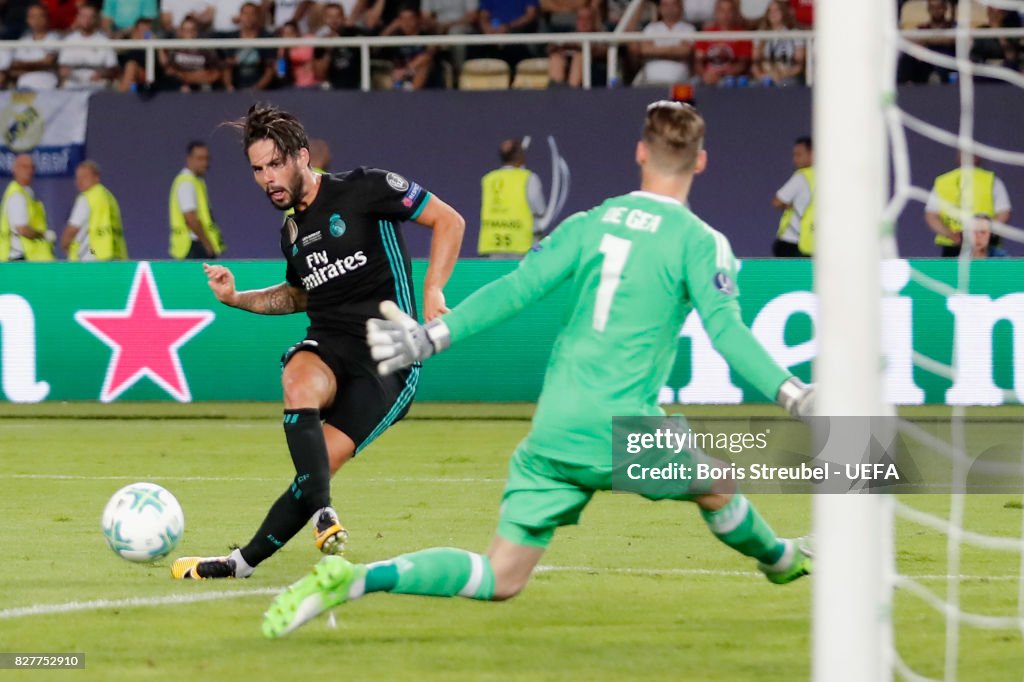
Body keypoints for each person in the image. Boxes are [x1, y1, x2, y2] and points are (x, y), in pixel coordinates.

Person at [261, 100, 814, 638]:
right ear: (701, 161)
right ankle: (784, 559)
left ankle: (357, 579)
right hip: (624, 432)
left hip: (554, 432)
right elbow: (728, 334)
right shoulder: (702, 242)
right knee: (724, 479)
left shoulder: (591, 222)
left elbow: (516, 289)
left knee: (500, 575)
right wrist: (792, 393)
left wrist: (431, 336)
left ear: (640, 153)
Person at [170, 103, 466, 580]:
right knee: (297, 379)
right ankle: (320, 515)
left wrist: (433, 289)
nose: (267, 178)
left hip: (390, 357)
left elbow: (449, 221)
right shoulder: (291, 233)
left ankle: (243, 561)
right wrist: (236, 297)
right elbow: (298, 295)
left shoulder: (366, 187)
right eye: (258, 169)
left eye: (274, 164)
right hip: (330, 344)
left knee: (314, 473)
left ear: (302, 156)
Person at [925, 155, 1011, 258]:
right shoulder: (992, 181)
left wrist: (952, 235)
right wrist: (984, 233)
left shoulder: (943, 182)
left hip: (977, 247)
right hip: (963, 247)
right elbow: (1004, 213)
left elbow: (931, 216)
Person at [478, 137, 546, 257]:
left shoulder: (488, 179)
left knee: (496, 276)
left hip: (492, 245)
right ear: (519, 155)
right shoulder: (528, 178)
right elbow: (540, 209)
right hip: (521, 245)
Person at [59, 160, 128, 261]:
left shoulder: (87, 198)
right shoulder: (108, 197)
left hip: (91, 253)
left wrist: (64, 244)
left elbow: (73, 228)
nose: (79, 181)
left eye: (84, 177)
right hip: (113, 255)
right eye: (78, 177)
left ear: (96, 178)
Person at [168, 141, 226, 260]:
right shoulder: (187, 183)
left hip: (195, 245)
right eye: (200, 158)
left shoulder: (196, 182)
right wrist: (207, 244)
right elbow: (190, 217)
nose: (205, 163)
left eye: (206, 159)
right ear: (189, 159)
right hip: (193, 246)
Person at [0, 154, 55, 262]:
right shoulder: (17, 196)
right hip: (19, 258)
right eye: (24, 167)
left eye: (31, 167)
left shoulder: (27, 193)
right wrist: (45, 235)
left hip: (29, 257)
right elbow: (22, 229)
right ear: (14, 169)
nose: (29, 171)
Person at [630, 0, 696, 87]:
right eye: (665, 5)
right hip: (650, 85)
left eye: (673, 4)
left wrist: (656, 49)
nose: (669, 9)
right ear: (660, 8)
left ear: (680, 7)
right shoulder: (651, 28)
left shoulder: (688, 28)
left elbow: (685, 51)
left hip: (679, 86)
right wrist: (674, 51)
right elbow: (644, 50)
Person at [58, 4, 120, 90]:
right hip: (72, 87)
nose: (87, 19)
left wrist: (103, 73)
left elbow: (113, 68)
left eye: (91, 17)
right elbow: (62, 65)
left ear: (96, 19)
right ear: (78, 18)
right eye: (83, 16)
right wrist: (64, 71)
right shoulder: (68, 40)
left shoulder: (105, 41)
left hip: (97, 88)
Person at [771, 135, 813, 257]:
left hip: (792, 241)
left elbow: (777, 202)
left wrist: (790, 205)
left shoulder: (802, 177)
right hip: (814, 243)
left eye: (799, 155)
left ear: (812, 154)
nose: (795, 159)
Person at [695, 0, 753, 86]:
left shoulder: (742, 34)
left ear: (734, 13)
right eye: (722, 10)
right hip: (707, 77)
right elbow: (698, 62)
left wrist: (723, 74)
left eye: (729, 11)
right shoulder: (706, 33)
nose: (726, 15)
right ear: (716, 12)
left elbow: (743, 64)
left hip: (731, 78)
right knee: (693, 83)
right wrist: (705, 75)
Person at [896, 0, 954, 85]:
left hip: (946, 60)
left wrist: (926, 39)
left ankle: (937, 80)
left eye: (939, 8)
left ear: (945, 8)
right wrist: (937, 39)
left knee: (942, 60)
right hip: (925, 61)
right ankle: (903, 86)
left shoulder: (953, 26)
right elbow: (910, 39)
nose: (936, 11)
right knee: (907, 57)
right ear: (929, 9)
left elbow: (953, 39)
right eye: (933, 8)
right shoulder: (922, 27)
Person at [751, 0, 805, 86]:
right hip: (766, 76)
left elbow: (799, 66)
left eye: (776, 10)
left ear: (783, 12)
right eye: (770, 11)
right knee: (753, 85)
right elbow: (755, 65)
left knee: (784, 84)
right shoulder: (760, 34)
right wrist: (763, 76)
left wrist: (783, 75)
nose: (773, 13)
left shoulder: (795, 34)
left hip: (788, 76)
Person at [8, 3, 60, 91]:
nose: (37, 20)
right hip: (23, 88)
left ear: (47, 18)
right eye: (33, 17)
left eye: (41, 16)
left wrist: (24, 66)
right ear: (28, 20)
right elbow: (14, 68)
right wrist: (38, 65)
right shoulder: (23, 40)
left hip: (47, 88)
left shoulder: (54, 38)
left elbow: (48, 62)